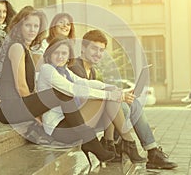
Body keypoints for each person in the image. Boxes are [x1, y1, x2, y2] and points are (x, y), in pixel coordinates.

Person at [0, 6, 115, 164]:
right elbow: (21, 86)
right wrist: (37, 114)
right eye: (28, 25)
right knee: (61, 92)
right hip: (8, 108)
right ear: (19, 26)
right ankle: (91, 141)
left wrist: (105, 87)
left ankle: (90, 140)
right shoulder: (17, 47)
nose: (32, 30)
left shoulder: (25, 48)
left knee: (62, 93)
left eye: (36, 26)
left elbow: (80, 82)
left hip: (16, 105)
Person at [69, 29, 178, 169]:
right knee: (122, 106)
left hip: (96, 116)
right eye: (94, 49)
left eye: (101, 50)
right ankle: (124, 143)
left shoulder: (93, 70)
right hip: (80, 119)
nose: (98, 53)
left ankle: (152, 151)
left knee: (134, 103)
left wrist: (124, 93)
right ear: (83, 48)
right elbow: (88, 95)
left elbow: (98, 93)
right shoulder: (75, 67)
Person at [37, 35, 145, 164]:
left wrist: (110, 87)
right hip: (58, 129)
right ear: (49, 54)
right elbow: (72, 89)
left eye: (64, 53)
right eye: (56, 53)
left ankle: (109, 143)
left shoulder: (64, 71)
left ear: (68, 56)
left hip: (72, 122)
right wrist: (111, 94)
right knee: (105, 97)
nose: (60, 56)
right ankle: (126, 142)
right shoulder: (47, 69)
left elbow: (83, 83)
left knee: (108, 94)